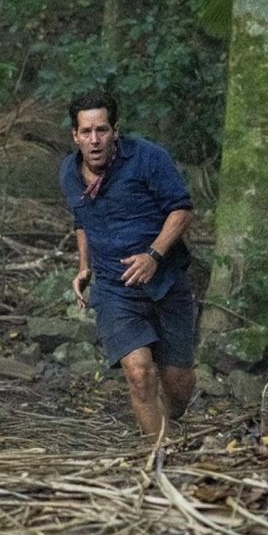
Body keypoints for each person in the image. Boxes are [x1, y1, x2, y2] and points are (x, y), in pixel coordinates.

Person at [58, 90, 196, 436]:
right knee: (139, 375)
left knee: (178, 386)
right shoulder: (68, 173)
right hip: (115, 289)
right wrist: (84, 267)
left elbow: (181, 209)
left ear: (115, 131)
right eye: (86, 132)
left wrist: (153, 255)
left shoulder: (148, 158)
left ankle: (170, 418)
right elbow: (81, 220)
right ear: (74, 135)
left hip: (166, 282)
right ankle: (160, 458)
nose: (94, 140)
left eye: (101, 130)